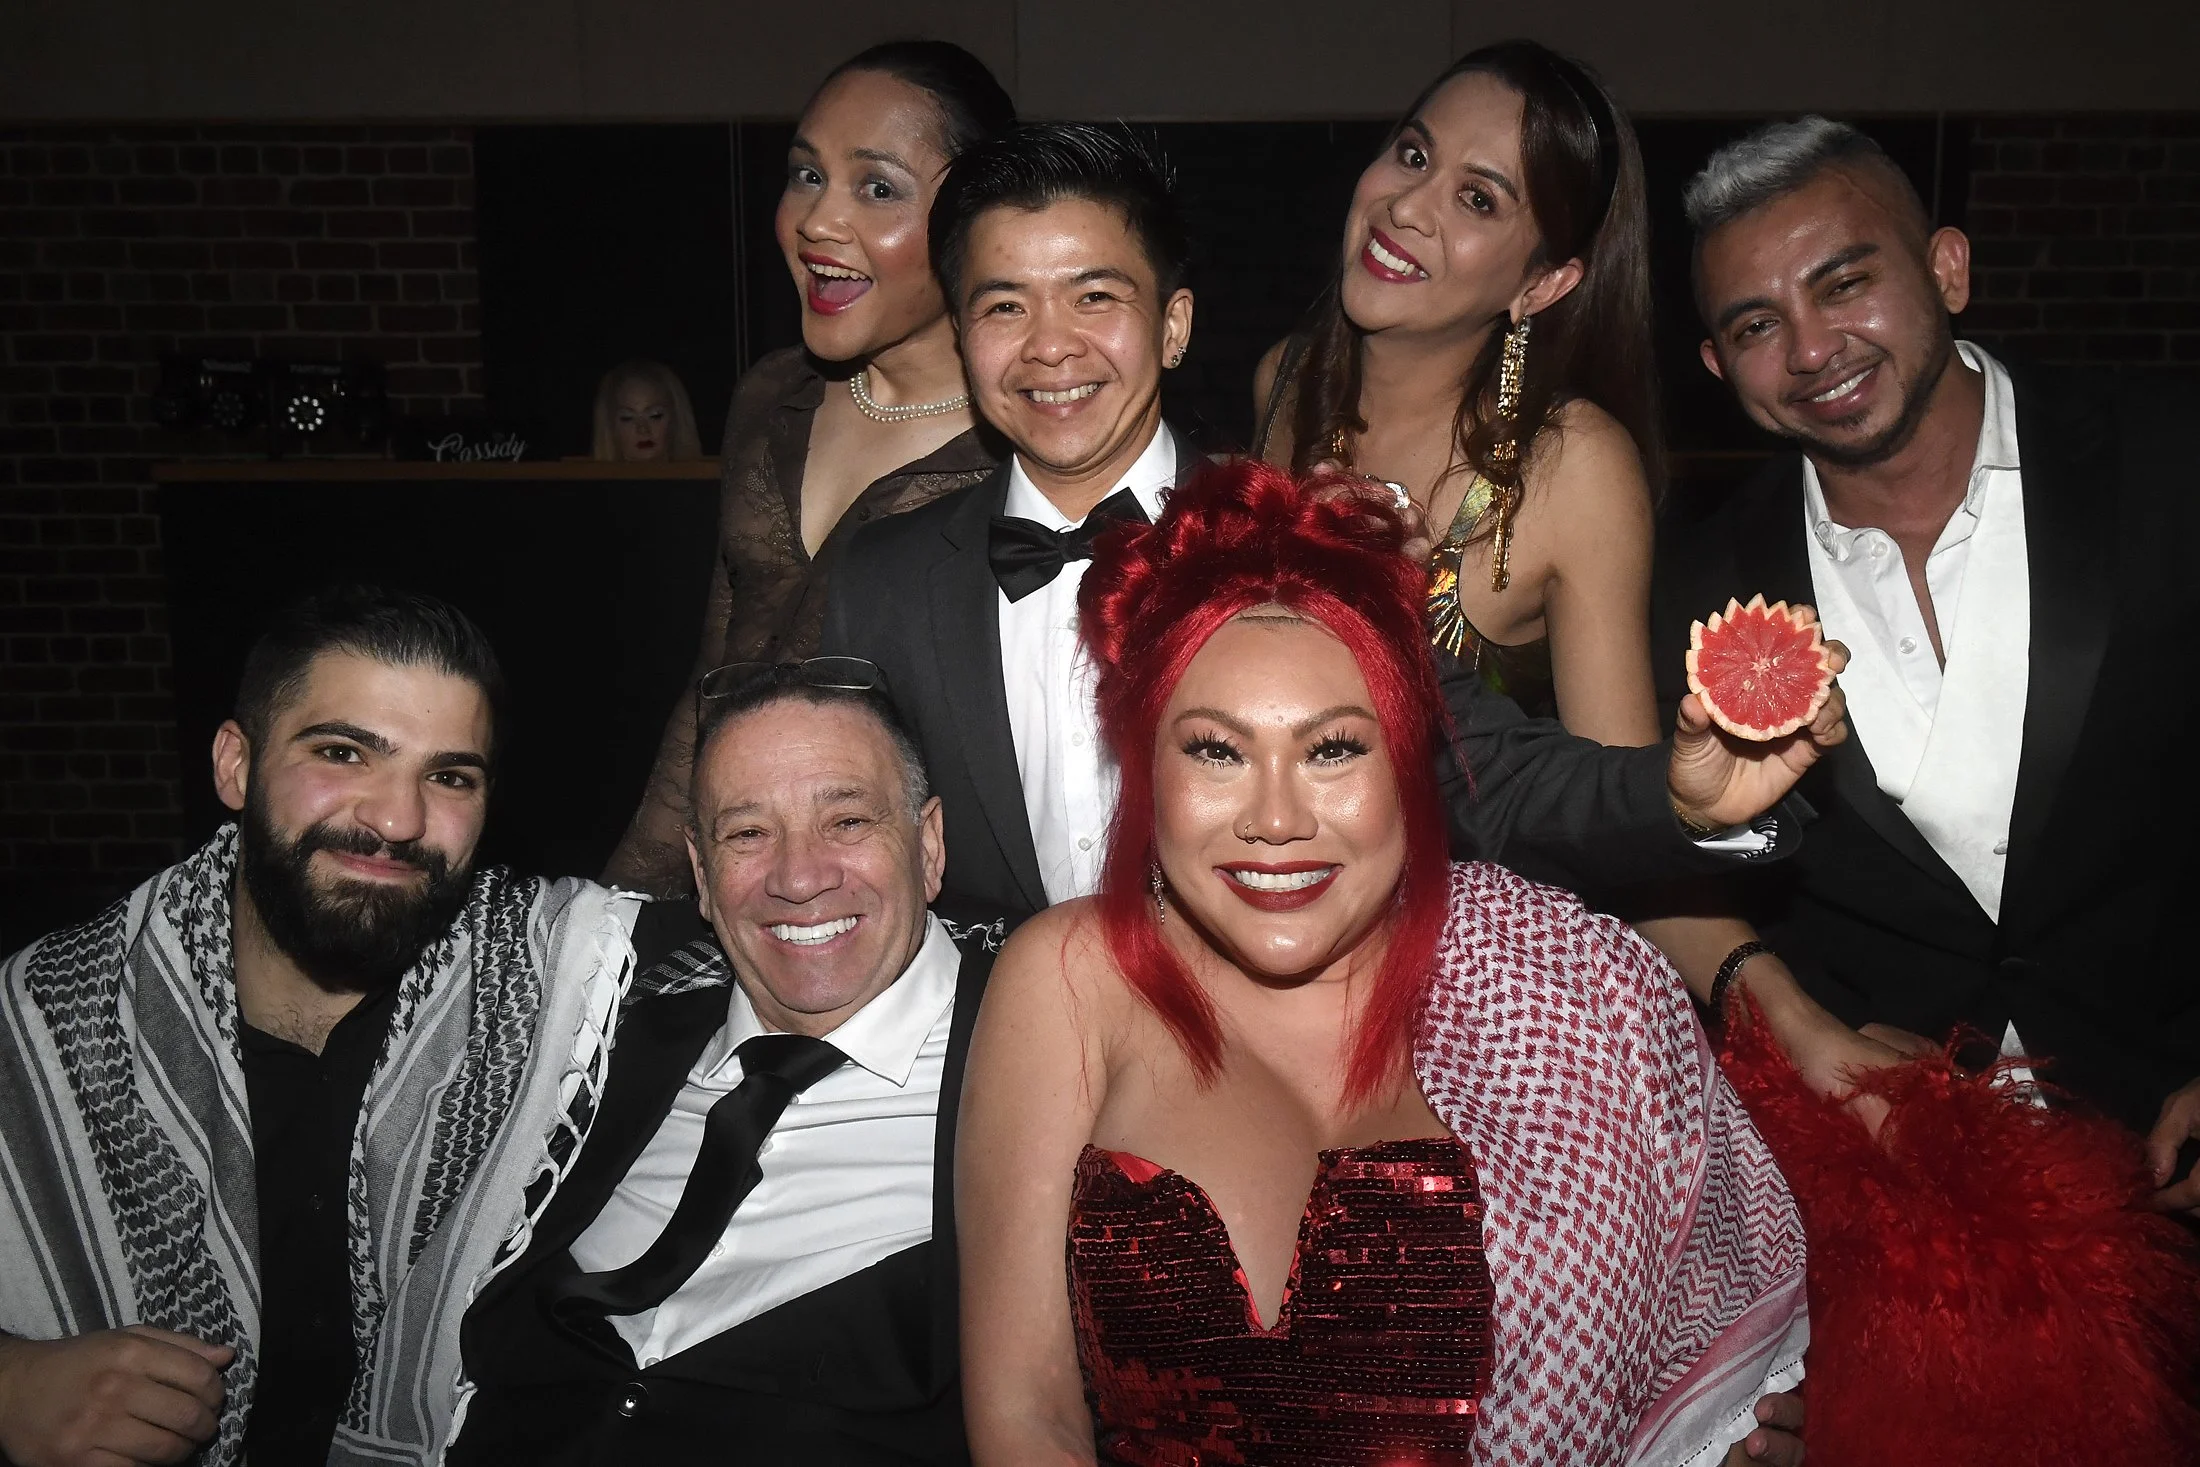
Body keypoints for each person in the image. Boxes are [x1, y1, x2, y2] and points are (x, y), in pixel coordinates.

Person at [956, 461, 1810, 1467]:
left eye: (1332, 752)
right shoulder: (1069, 980)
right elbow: (1027, 1422)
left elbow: (1694, 1363)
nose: (1275, 820)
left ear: (1406, 763)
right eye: (1216, 753)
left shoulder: (1566, 991)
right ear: (1147, 769)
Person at [827, 121, 1852, 920]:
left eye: (1095, 297)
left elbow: (1492, 774)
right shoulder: (876, 586)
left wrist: (1685, 802)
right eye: (1004, 306)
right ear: (962, 339)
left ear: (1173, 325)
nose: (1051, 348)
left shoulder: (1304, 537)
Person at [1660, 117, 2200, 1467]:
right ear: (1720, 365)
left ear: (1947, 267)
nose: (1817, 347)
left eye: (1848, 281)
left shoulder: (2169, 453)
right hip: (1892, 1238)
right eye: (1758, 322)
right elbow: (1681, 891)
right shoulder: (1691, 586)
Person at [0, 587, 635, 1467]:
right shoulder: (48, 1020)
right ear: (235, 764)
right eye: (344, 752)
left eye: (449, 775)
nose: (397, 819)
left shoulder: (559, 994)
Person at [454, 661, 1013, 1465]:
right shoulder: (595, 1041)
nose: (798, 876)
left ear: (929, 845)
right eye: (747, 833)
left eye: (848, 820)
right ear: (702, 875)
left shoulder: (1035, 1051)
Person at [606, 40, 1015, 896]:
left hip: (932, 927)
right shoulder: (770, 397)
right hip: (747, 898)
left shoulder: (1022, 454)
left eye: (877, 188)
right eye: (805, 174)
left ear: (979, 216)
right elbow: (714, 683)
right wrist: (624, 913)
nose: (818, 222)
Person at [591, 358, 703, 462]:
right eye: (627, 418)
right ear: (610, 426)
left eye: (655, 416)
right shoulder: (587, 479)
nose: (643, 429)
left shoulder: (707, 478)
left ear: (676, 419)